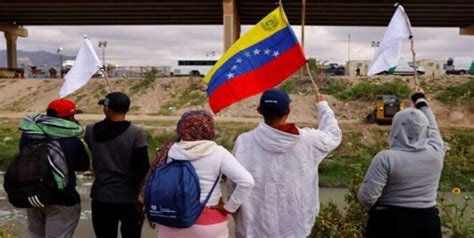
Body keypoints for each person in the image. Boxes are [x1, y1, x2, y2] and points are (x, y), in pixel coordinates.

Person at [230, 88, 342, 238]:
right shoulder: (308, 140)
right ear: (288, 111)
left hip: (254, 229)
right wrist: (322, 106)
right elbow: (333, 135)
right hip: (296, 229)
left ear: (259, 110)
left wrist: (235, 212)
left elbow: (233, 184)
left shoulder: (244, 142)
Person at [140, 110, 254, 238]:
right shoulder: (218, 152)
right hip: (208, 221)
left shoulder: (169, 150)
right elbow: (247, 181)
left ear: (181, 127)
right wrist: (229, 207)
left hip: (171, 218)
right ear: (208, 127)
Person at [357, 87, 445, 238]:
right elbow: (433, 126)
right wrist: (420, 99)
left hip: (388, 224)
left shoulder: (386, 158)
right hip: (427, 224)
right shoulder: (436, 151)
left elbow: (367, 197)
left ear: (396, 127)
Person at [19, 98, 89, 238]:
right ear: (69, 117)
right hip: (62, 199)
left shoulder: (28, 135)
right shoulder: (72, 141)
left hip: (33, 196)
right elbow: (83, 166)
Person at [85, 92, 150, 238]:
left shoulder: (90, 130)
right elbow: (143, 167)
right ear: (127, 109)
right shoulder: (136, 133)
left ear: (107, 109)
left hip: (101, 196)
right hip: (130, 197)